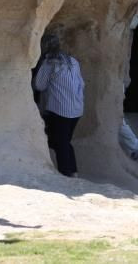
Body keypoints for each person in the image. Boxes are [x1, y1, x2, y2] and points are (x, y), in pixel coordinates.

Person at [33, 31, 85, 177]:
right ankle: (72, 171)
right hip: (77, 108)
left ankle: (67, 173)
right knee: (64, 141)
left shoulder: (49, 62)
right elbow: (81, 83)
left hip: (60, 109)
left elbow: (39, 85)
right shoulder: (72, 60)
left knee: (60, 142)